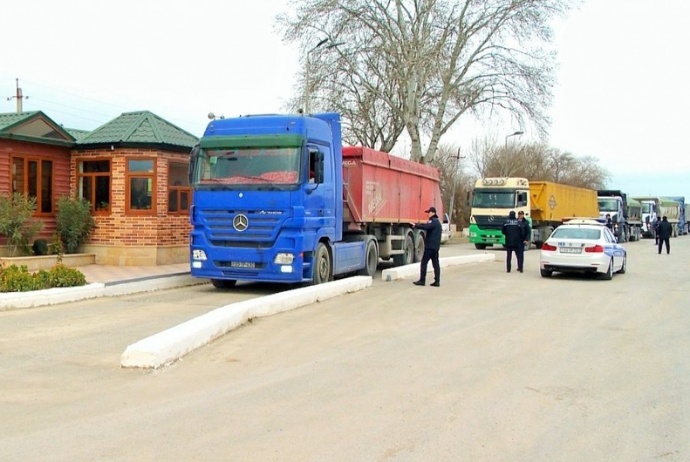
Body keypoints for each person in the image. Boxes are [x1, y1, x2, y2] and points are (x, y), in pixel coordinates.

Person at [412, 206, 442, 287]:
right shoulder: (437, 222)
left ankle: (422, 280)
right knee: (436, 264)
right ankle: (437, 281)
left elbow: (426, 227)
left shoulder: (433, 221)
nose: (428, 214)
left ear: (433, 213)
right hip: (435, 248)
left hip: (430, 247)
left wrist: (416, 225)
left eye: (429, 212)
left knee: (424, 263)